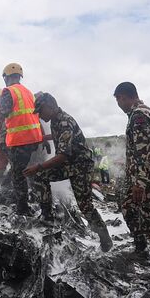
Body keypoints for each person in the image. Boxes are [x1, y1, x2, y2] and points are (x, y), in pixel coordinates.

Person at [23, 92, 113, 252]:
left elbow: (63, 155)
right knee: (40, 177)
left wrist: (39, 166)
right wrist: (45, 138)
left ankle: (105, 239)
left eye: (40, 111)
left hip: (80, 166)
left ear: (49, 106)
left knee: (85, 205)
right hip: (69, 164)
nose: (39, 116)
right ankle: (47, 217)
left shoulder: (64, 121)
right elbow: (60, 137)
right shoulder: (55, 119)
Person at [113, 81, 150, 282]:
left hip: (148, 180)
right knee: (127, 207)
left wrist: (140, 182)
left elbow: (143, 152)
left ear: (125, 96)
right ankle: (141, 249)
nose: (119, 105)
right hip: (140, 177)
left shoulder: (139, 115)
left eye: (118, 100)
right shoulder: (138, 114)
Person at [0, 63, 47, 215]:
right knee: (22, 171)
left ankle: (23, 209)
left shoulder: (8, 92)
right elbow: (36, 116)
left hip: (19, 141)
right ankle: (38, 203)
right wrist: (42, 137)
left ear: (6, 77)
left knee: (19, 176)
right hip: (33, 140)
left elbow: (0, 119)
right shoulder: (28, 93)